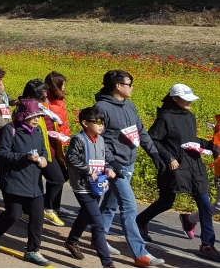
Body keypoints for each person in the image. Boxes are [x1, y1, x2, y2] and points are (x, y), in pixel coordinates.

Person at [137, 84, 220, 261]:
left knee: (205, 206)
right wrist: (169, 158)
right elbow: (153, 139)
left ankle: (207, 245)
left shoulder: (190, 116)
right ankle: (140, 221)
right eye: (186, 99)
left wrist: (209, 146)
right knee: (167, 202)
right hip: (175, 167)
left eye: (191, 99)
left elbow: (191, 139)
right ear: (175, 99)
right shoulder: (165, 118)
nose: (190, 102)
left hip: (195, 165)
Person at [94, 70, 166, 268]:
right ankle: (140, 253)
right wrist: (111, 163)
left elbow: (140, 132)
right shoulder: (101, 108)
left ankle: (97, 239)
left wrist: (154, 154)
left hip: (129, 162)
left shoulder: (129, 105)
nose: (132, 87)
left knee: (110, 204)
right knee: (129, 206)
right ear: (118, 86)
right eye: (129, 83)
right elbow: (98, 139)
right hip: (114, 166)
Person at [0, 98, 50, 266]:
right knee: (13, 214)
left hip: (34, 181)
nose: (36, 119)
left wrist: (43, 158)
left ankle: (33, 250)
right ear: (22, 116)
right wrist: (25, 158)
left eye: (38, 116)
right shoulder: (10, 129)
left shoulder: (37, 131)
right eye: (32, 116)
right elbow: (3, 154)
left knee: (37, 217)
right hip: (13, 180)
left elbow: (43, 149)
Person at [63, 105, 117, 268]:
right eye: (98, 122)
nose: (102, 125)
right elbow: (70, 159)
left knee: (86, 215)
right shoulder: (78, 139)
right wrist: (88, 170)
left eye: (103, 121)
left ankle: (71, 241)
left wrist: (109, 169)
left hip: (98, 185)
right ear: (85, 123)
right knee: (97, 223)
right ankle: (107, 263)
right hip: (82, 187)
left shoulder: (101, 140)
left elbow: (107, 157)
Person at [41, 71, 72, 223]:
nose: (64, 87)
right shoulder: (46, 101)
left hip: (60, 143)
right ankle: (47, 207)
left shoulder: (59, 100)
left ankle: (54, 206)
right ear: (55, 85)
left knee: (64, 175)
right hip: (50, 144)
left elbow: (63, 121)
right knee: (57, 178)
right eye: (62, 84)